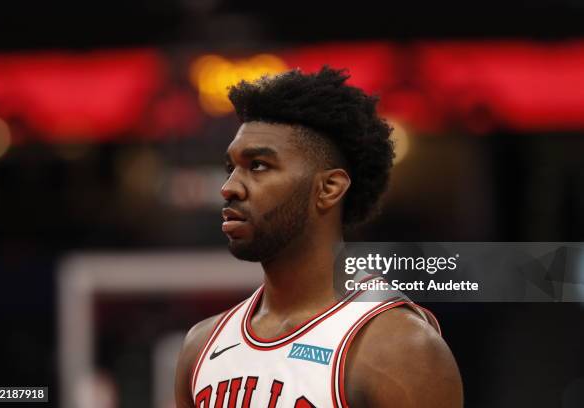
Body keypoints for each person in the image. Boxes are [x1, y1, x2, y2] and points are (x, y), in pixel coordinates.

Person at [174, 67, 463, 407]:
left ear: (328, 188)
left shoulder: (397, 348)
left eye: (259, 166)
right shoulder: (201, 346)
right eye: (231, 168)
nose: (229, 188)